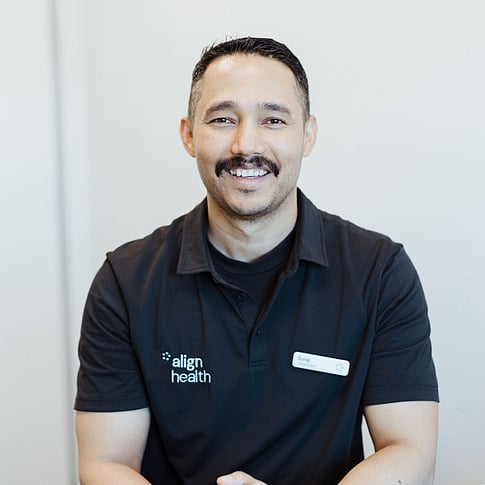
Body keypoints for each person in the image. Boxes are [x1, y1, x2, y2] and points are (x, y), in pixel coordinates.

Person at [75, 37, 439, 485]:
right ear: (189, 135)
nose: (246, 143)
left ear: (307, 134)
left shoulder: (378, 272)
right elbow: (106, 462)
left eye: (273, 120)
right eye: (223, 119)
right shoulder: (126, 282)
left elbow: (409, 450)